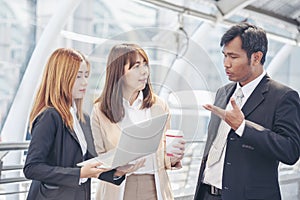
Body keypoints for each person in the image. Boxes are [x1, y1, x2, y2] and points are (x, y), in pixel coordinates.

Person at [194, 23, 300, 200]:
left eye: (233, 57)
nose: (226, 63)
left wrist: (243, 127)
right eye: (225, 56)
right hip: (207, 194)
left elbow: (291, 151)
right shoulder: (223, 92)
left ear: (256, 57)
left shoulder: (283, 97)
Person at [23, 48, 141, 200]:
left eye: (86, 75)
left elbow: (90, 162)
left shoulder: (81, 117)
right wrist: (79, 174)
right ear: (61, 77)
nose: (85, 82)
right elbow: (32, 168)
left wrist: (117, 172)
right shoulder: (50, 116)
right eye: (78, 76)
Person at [91, 43, 186, 200]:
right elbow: (97, 158)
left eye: (145, 64)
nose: (144, 71)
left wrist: (173, 157)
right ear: (118, 71)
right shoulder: (100, 111)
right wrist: (119, 166)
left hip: (154, 187)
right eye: (136, 66)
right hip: (118, 189)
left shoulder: (159, 106)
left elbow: (164, 155)